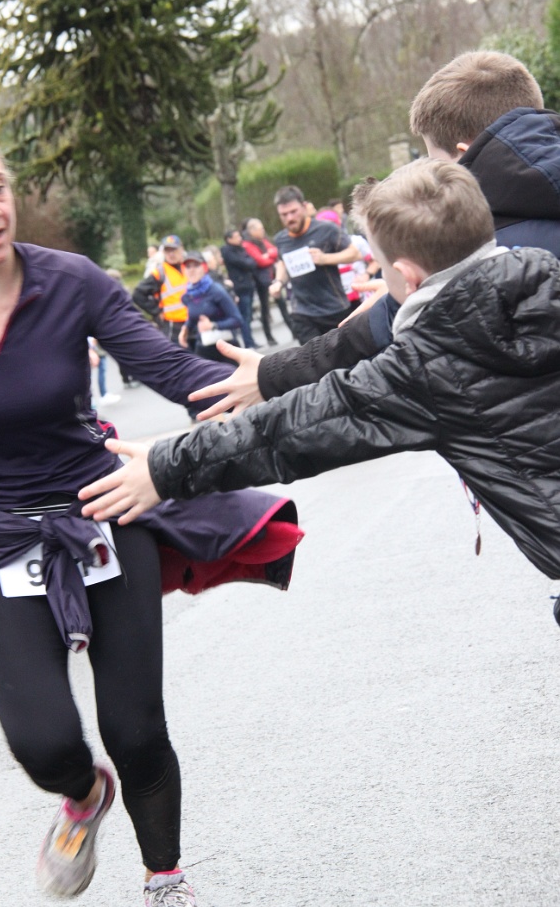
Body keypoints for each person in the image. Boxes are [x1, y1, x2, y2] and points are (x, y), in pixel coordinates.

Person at [0, 121, 302, 907]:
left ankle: (165, 882)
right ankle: (82, 794)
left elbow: (167, 368)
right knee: (42, 743)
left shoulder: (69, 281)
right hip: (1, 536)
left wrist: (276, 382)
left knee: (135, 730)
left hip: (104, 509)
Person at [76, 159, 560, 636]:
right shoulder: (548, 275)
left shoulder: (427, 366)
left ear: (407, 276)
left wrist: (165, 467)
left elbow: (291, 428)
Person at [183, 50, 560, 417]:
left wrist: (271, 375)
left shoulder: (491, 255)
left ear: (463, 154)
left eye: (434, 160)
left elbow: (374, 349)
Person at [271, 185, 359, 345]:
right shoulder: (281, 239)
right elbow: (283, 262)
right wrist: (278, 282)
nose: (289, 218)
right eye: (284, 214)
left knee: (343, 356)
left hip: (334, 308)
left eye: (293, 212)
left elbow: (354, 254)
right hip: (302, 312)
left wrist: (325, 258)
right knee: (312, 359)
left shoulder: (326, 229)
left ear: (304, 207)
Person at [178, 251, 242, 363]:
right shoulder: (189, 294)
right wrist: (186, 328)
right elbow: (195, 315)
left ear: (204, 267)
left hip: (226, 348)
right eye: (188, 267)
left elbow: (237, 320)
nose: (192, 270)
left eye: (196, 265)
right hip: (203, 349)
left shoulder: (216, 290)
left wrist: (213, 325)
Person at [241, 217, 295, 345]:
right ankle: (269, 337)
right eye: (260, 229)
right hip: (260, 281)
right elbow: (260, 261)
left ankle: (294, 331)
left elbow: (276, 252)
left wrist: (268, 255)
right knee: (265, 308)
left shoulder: (262, 241)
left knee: (282, 305)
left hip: (271, 278)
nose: (263, 231)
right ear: (252, 231)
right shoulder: (247, 245)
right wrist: (269, 257)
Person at [132, 234, 188, 344]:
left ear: (181, 249)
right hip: (173, 326)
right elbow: (138, 294)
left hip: (192, 323)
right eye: (167, 250)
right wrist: (156, 312)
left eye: (174, 250)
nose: (171, 254)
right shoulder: (160, 273)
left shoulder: (188, 267)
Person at [220, 228, 259, 348]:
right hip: (240, 287)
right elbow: (245, 263)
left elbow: (252, 262)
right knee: (244, 316)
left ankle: (250, 340)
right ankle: (248, 342)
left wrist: (249, 262)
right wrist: (248, 262)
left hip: (248, 284)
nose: (240, 238)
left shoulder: (240, 248)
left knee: (248, 315)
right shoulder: (227, 251)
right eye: (236, 236)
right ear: (229, 239)